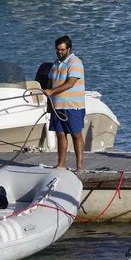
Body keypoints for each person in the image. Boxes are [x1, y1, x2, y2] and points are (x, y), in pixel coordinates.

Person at [44, 35, 85, 171]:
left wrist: (52, 91)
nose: (59, 52)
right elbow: (50, 82)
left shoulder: (75, 62)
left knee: (76, 134)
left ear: (69, 49)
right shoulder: (56, 63)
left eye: (62, 49)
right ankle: (61, 164)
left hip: (73, 106)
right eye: (57, 49)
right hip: (57, 106)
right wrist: (49, 103)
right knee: (60, 135)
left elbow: (70, 83)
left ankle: (79, 165)